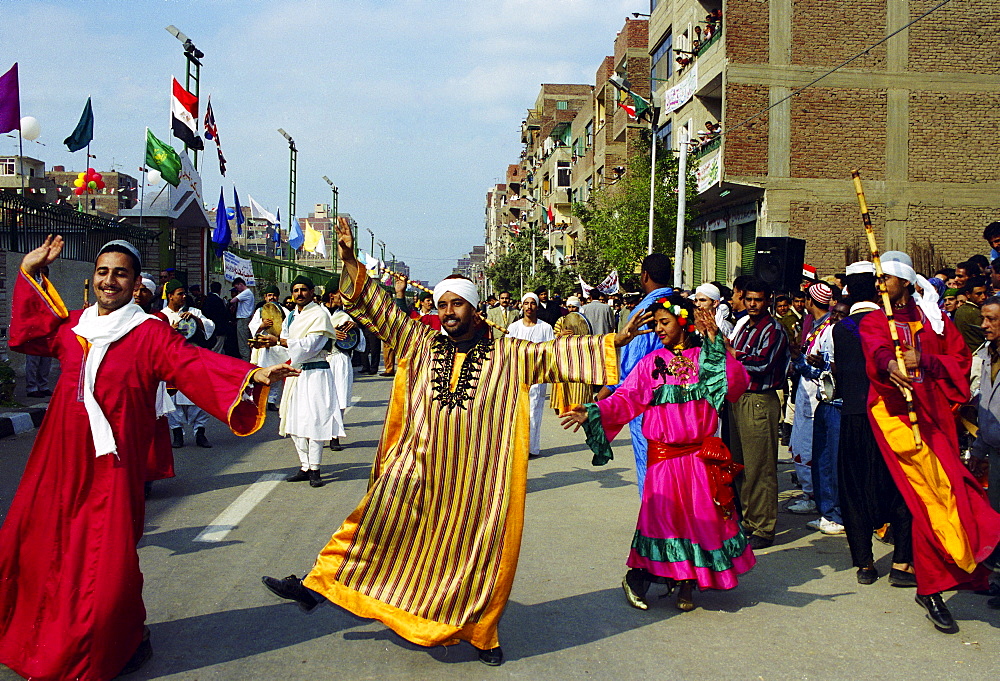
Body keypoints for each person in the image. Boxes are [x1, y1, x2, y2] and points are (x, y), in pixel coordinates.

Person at [262, 222, 643, 666]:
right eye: (441, 304)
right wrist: (349, 261)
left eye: (456, 303)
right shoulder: (421, 343)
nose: (447, 311)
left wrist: (615, 339)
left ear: (475, 309)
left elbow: (556, 356)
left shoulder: (509, 352)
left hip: (479, 479)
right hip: (418, 466)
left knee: (477, 558)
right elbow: (383, 310)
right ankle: (316, 585)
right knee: (374, 524)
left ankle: (482, 633)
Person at [0, 236, 293, 681]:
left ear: (136, 283)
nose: (109, 280)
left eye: (120, 273)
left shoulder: (149, 333)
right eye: (103, 272)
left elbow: (192, 364)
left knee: (106, 560)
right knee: (43, 543)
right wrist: (27, 270)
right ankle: (42, 634)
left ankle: (115, 641)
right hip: (58, 460)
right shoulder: (75, 326)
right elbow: (27, 332)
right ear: (92, 279)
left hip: (112, 465)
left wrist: (254, 373)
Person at [561, 296, 753, 613]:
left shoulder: (706, 358)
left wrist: (716, 342)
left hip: (699, 458)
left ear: (683, 322)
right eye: (657, 323)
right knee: (661, 523)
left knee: (698, 522)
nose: (659, 329)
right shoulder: (652, 364)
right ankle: (642, 579)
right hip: (664, 459)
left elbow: (735, 385)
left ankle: (687, 585)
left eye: (664, 322)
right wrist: (594, 412)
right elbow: (626, 399)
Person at [861, 251, 1000, 632]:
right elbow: (876, 350)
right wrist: (892, 365)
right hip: (899, 422)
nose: (880, 285)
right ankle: (933, 587)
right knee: (929, 500)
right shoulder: (876, 319)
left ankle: (960, 568)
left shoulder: (935, 322)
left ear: (906, 282)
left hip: (937, 420)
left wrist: (925, 360)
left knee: (957, 493)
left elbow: (959, 363)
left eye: (886, 278)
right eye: (877, 279)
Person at [835, 262, 914, 586]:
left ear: (850, 290)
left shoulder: (840, 329)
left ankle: (865, 564)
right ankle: (901, 563)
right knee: (899, 488)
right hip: (888, 418)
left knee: (854, 492)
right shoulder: (892, 326)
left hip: (853, 415)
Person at [263, 276, 346, 488]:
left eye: (303, 290)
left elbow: (311, 345)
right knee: (292, 420)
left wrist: (280, 341)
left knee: (316, 421)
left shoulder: (319, 314)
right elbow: (287, 349)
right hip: (296, 374)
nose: (299, 293)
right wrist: (268, 345)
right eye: (296, 290)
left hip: (316, 374)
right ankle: (305, 465)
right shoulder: (290, 316)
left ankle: (316, 468)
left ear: (311, 293)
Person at [603, 253, 674, 497]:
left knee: (651, 465)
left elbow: (630, 370)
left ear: (644, 276)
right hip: (683, 403)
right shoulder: (682, 307)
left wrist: (605, 396)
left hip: (648, 403)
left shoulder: (644, 313)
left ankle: (656, 526)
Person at [727, 278, 789, 549]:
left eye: (758, 300)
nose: (752, 304)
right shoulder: (745, 327)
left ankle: (763, 527)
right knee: (740, 465)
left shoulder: (773, 329)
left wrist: (732, 353)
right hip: (738, 398)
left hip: (759, 400)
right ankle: (748, 521)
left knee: (760, 467)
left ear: (768, 301)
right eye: (749, 299)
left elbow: (762, 363)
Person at [796, 296, 849, 534]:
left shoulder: (848, 336)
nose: (835, 318)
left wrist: (825, 364)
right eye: (834, 313)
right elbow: (816, 370)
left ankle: (836, 514)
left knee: (836, 461)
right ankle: (826, 509)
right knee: (821, 459)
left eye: (840, 314)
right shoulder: (827, 333)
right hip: (825, 403)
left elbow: (843, 369)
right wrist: (812, 362)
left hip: (841, 405)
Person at [787, 282, 834, 514]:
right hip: (805, 394)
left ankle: (815, 496)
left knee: (811, 445)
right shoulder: (817, 326)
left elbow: (823, 370)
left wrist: (799, 362)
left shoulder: (828, 329)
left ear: (810, 302)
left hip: (816, 396)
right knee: (802, 442)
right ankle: (810, 493)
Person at [156, 279, 218, 449]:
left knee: (199, 396)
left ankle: (200, 432)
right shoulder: (162, 315)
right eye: (180, 294)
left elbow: (209, 328)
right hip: (173, 364)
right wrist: (171, 330)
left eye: (184, 293)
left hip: (194, 361)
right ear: (170, 296)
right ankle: (177, 432)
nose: (184, 297)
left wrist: (196, 320)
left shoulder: (194, 311)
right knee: (173, 399)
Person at [506, 292, 556, 458]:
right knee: (517, 412)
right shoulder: (514, 328)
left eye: (532, 303)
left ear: (536, 306)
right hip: (517, 375)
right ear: (522, 305)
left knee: (534, 412)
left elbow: (551, 351)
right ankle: (517, 447)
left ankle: (531, 447)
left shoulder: (545, 328)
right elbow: (508, 351)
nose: (529, 306)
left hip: (537, 376)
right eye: (526, 303)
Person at [971, 296, 1000, 515]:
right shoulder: (987, 355)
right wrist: (979, 451)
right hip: (994, 452)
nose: (984, 325)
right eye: (983, 319)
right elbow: (986, 409)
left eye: (991, 320)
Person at [323, 277, 357, 451]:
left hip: (340, 358)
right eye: (341, 294)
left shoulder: (344, 316)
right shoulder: (317, 314)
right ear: (331, 295)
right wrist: (330, 332)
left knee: (340, 398)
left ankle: (334, 436)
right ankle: (319, 433)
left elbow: (357, 343)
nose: (344, 298)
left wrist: (354, 330)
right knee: (321, 399)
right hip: (320, 360)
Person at [249, 285, 289, 412]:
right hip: (265, 348)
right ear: (265, 297)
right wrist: (262, 325)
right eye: (269, 295)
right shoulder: (260, 311)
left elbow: (289, 328)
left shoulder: (284, 311)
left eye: (274, 295)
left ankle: (272, 400)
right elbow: (252, 327)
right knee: (264, 373)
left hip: (278, 346)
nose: (272, 297)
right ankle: (261, 400)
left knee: (277, 375)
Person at [551, 295, 593, 414]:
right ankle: (561, 406)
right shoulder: (561, 320)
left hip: (580, 356)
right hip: (563, 356)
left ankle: (578, 407)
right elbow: (553, 337)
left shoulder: (584, 320)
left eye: (573, 307)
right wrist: (561, 334)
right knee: (563, 382)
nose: (571, 309)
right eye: (569, 306)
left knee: (578, 385)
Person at [200, 281, 232, 354]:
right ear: (220, 290)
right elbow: (223, 315)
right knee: (217, 350)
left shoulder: (206, 300)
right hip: (219, 329)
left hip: (208, 329)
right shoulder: (219, 301)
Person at [230, 277, 255, 361]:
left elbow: (232, 300)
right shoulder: (249, 293)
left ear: (241, 284)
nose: (237, 290)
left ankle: (246, 362)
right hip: (246, 319)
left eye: (237, 288)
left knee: (243, 344)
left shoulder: (246, 292)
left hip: (243, 319)